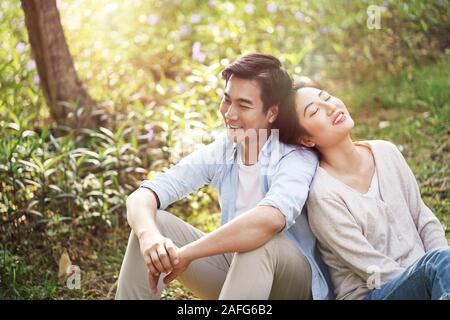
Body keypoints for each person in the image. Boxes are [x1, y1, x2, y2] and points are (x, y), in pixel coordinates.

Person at [115, 54, 332, 300]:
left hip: (290, 285)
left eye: (244, 105)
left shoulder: (295, 157)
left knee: (259, 242)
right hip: (236, 276)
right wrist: (149, 236)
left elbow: (268, 220)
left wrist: (187, 254)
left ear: (272, 113)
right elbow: (144, 194)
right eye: (227, 100)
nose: (229, 114)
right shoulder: (225, 149)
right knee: (155, 221)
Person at [292, 82, 449, 300]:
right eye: (315, 110)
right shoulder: (323, 194)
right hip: (373, 293)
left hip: (428, 275)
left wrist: (443, 268)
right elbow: (372, 270)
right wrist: (430, 278)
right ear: (307, 139)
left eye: (326, 97)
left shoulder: (386, 152)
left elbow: (424, 219)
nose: (330, 107)